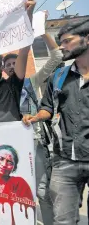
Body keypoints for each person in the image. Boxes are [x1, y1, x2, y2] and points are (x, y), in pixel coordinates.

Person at [23, 18, 89, 225]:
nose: (62, 46)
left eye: (67, 40)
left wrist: (40, 30)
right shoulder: (59, 77)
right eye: (60, 41)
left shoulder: (35, 80)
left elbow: (54, 55)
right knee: (63, 220)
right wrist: (36, 117)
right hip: (65, 159)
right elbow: (47, 108)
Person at [3, 33, 63, 225]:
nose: (12, 67)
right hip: (12, 148)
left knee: (42, 190)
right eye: (9, 65)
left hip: (35, 142)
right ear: (4, 69)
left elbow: (57, 58)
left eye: (15, 63)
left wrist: (43, 33)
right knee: (17, 193)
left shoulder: (32, 81)